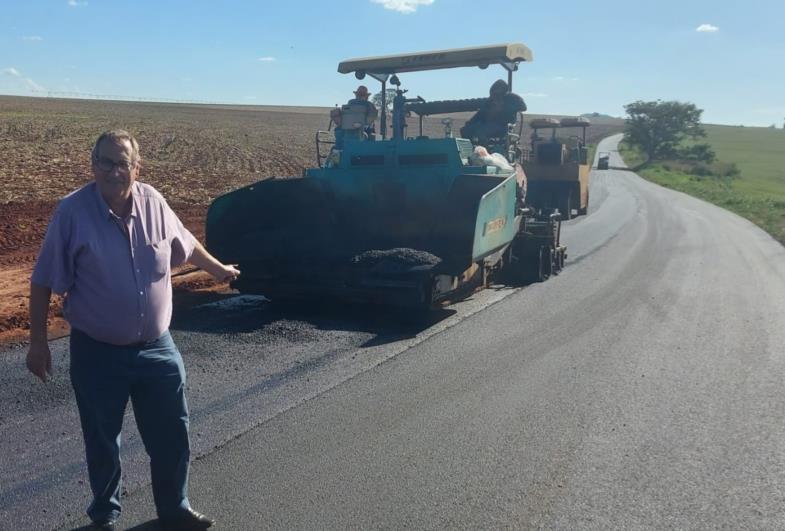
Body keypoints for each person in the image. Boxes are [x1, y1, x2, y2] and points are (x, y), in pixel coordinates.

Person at [26, 130, 239, 530]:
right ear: (92, 166)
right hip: (97, 350)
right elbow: (41, 279)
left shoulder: (153, 201)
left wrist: (221, 270)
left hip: (157, 347)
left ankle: (174, 507)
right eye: (104, 162)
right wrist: (38, 342)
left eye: (122, 162)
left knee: (173, 431)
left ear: (136, 168)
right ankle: (105, 514)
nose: (113, 171)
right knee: (103, 438)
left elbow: (187, 245)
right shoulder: (72, 212)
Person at [460, 79, 526, 145]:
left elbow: (523, 107)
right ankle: (471, 148)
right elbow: (480, 114)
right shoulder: (489, 101)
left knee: (481, 131)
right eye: (494, 94)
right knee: (465, 130)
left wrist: (503, 107)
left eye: (497, 94)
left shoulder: (512, 98)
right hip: (486, 124)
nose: (495, 98)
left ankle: (485, 150)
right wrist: (469, 123)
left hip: (503, 126)